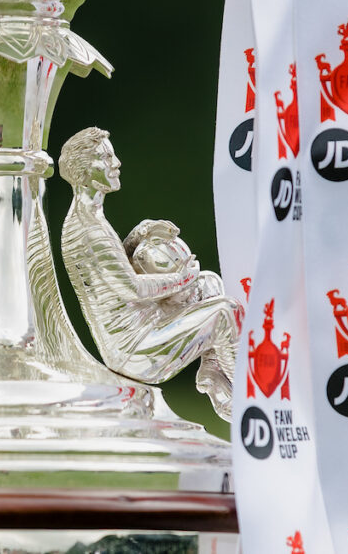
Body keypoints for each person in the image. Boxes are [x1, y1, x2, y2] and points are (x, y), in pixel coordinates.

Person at [58, 127, 241, 419]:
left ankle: (213, 372)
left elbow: (111, 269)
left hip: (144, 326)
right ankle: (248, 399)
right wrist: (182, 279)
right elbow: (132, 288)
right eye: (105, 158)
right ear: (83, 170)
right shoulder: (90, 230)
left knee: (208, 284)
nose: (116, 163)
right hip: (135, 349)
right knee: (225, 312)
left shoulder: (87, 218)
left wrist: (138, 234)